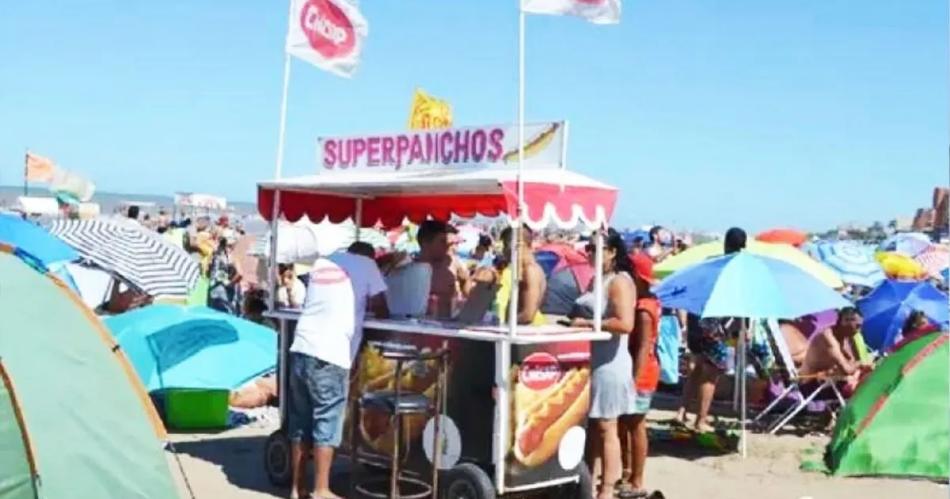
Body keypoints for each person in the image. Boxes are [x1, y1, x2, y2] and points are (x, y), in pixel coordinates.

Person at [288, 242, 389, 499]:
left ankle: (296, 488)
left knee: (300, 423)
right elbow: (382, 307)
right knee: (327, 421)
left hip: (301, 347)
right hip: (330, 353)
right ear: (369, 257)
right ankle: (321, 490)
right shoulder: (367, 265)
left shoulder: (324, 262)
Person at [572, 229, 636, 499]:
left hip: (611, 363)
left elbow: (625, 324)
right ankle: (590, 481)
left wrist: (587, 324)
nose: (591, 254)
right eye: (589, 248)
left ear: (612, 252)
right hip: (593, 359)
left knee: (607, 426)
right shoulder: (598, 280)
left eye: (597, 249)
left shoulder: (619, 282)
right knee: (594, 427)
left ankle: (607, 488)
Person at [674, 227, 746, 432]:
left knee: (696, 369)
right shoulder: (737, 269)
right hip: (716, 326)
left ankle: (682, 411)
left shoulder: (710, 263)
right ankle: (701, 420)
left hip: (698, 321)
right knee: (710, 373)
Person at [619, 253, 660, 497]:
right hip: (643, 370)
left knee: (635, 425)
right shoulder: (648, 303)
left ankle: (636, 479)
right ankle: (627, 473)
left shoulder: (644, 309)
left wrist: (633, 380)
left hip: (642, 373)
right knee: (627, 423)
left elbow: (644, 347)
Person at [800, 307, 869, 395]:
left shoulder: (842, 337)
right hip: (809, 384)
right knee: (859, 386)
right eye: (857, 326)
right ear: (845, 322)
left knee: (863, 378)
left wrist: (858, 368)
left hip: (825, 381)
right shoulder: (828, 338)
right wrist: (861, 364)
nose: (859, 331)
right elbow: (847, 369)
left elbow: (850, 361)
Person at [488, 226, 547, 325]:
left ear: (514, 245)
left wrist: (505, 326)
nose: (503, 251)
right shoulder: (523, 269)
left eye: (504, 245)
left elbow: (528, 315)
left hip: (525, 334)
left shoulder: (530, 270)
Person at [416, 220, 462, 318]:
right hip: (417, 329)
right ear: (425, 243)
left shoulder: (452, 266)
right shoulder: (408, 272)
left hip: (447, 329)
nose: (446, 246)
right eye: (442, 241)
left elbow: (466, 281)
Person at [208, 234, 241, 315]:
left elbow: (208, 269)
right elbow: (240, 273)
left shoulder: (215, 254)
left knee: (214, 314)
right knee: (227, 314)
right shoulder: (231, 257)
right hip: (225, 289)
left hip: (214, 287)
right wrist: (230, 283)